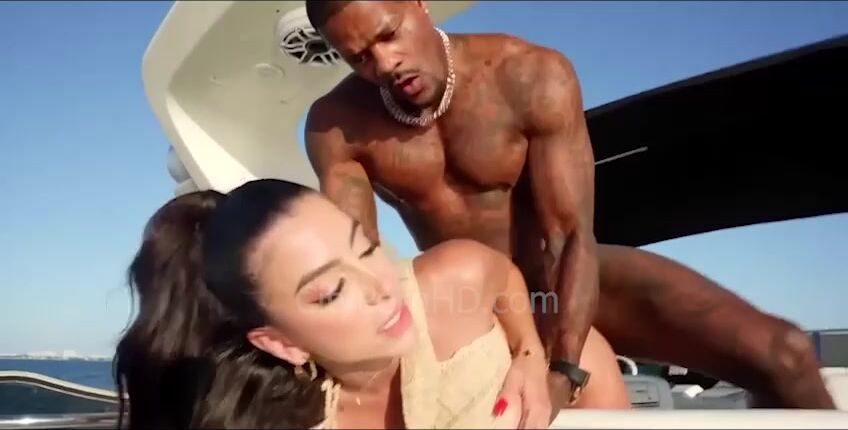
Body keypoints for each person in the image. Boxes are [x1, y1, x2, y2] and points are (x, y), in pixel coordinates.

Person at [302, 0, 835, 410]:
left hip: (564, 276)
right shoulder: (337, 124)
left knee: (785, 354)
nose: (385, 63)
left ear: (419, 4)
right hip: (471, 300)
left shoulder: (530, 74)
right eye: (359, 57)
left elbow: (570, 236)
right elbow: (358, 261)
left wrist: (563, 370)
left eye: (389, 34)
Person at [113, 178, 629, 430]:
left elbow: (503, 279)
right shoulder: (295, 417)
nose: (381, 285)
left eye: (364, 247)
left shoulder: (449, 277)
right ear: (282, 343)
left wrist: (531, 355)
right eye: (331, 292)